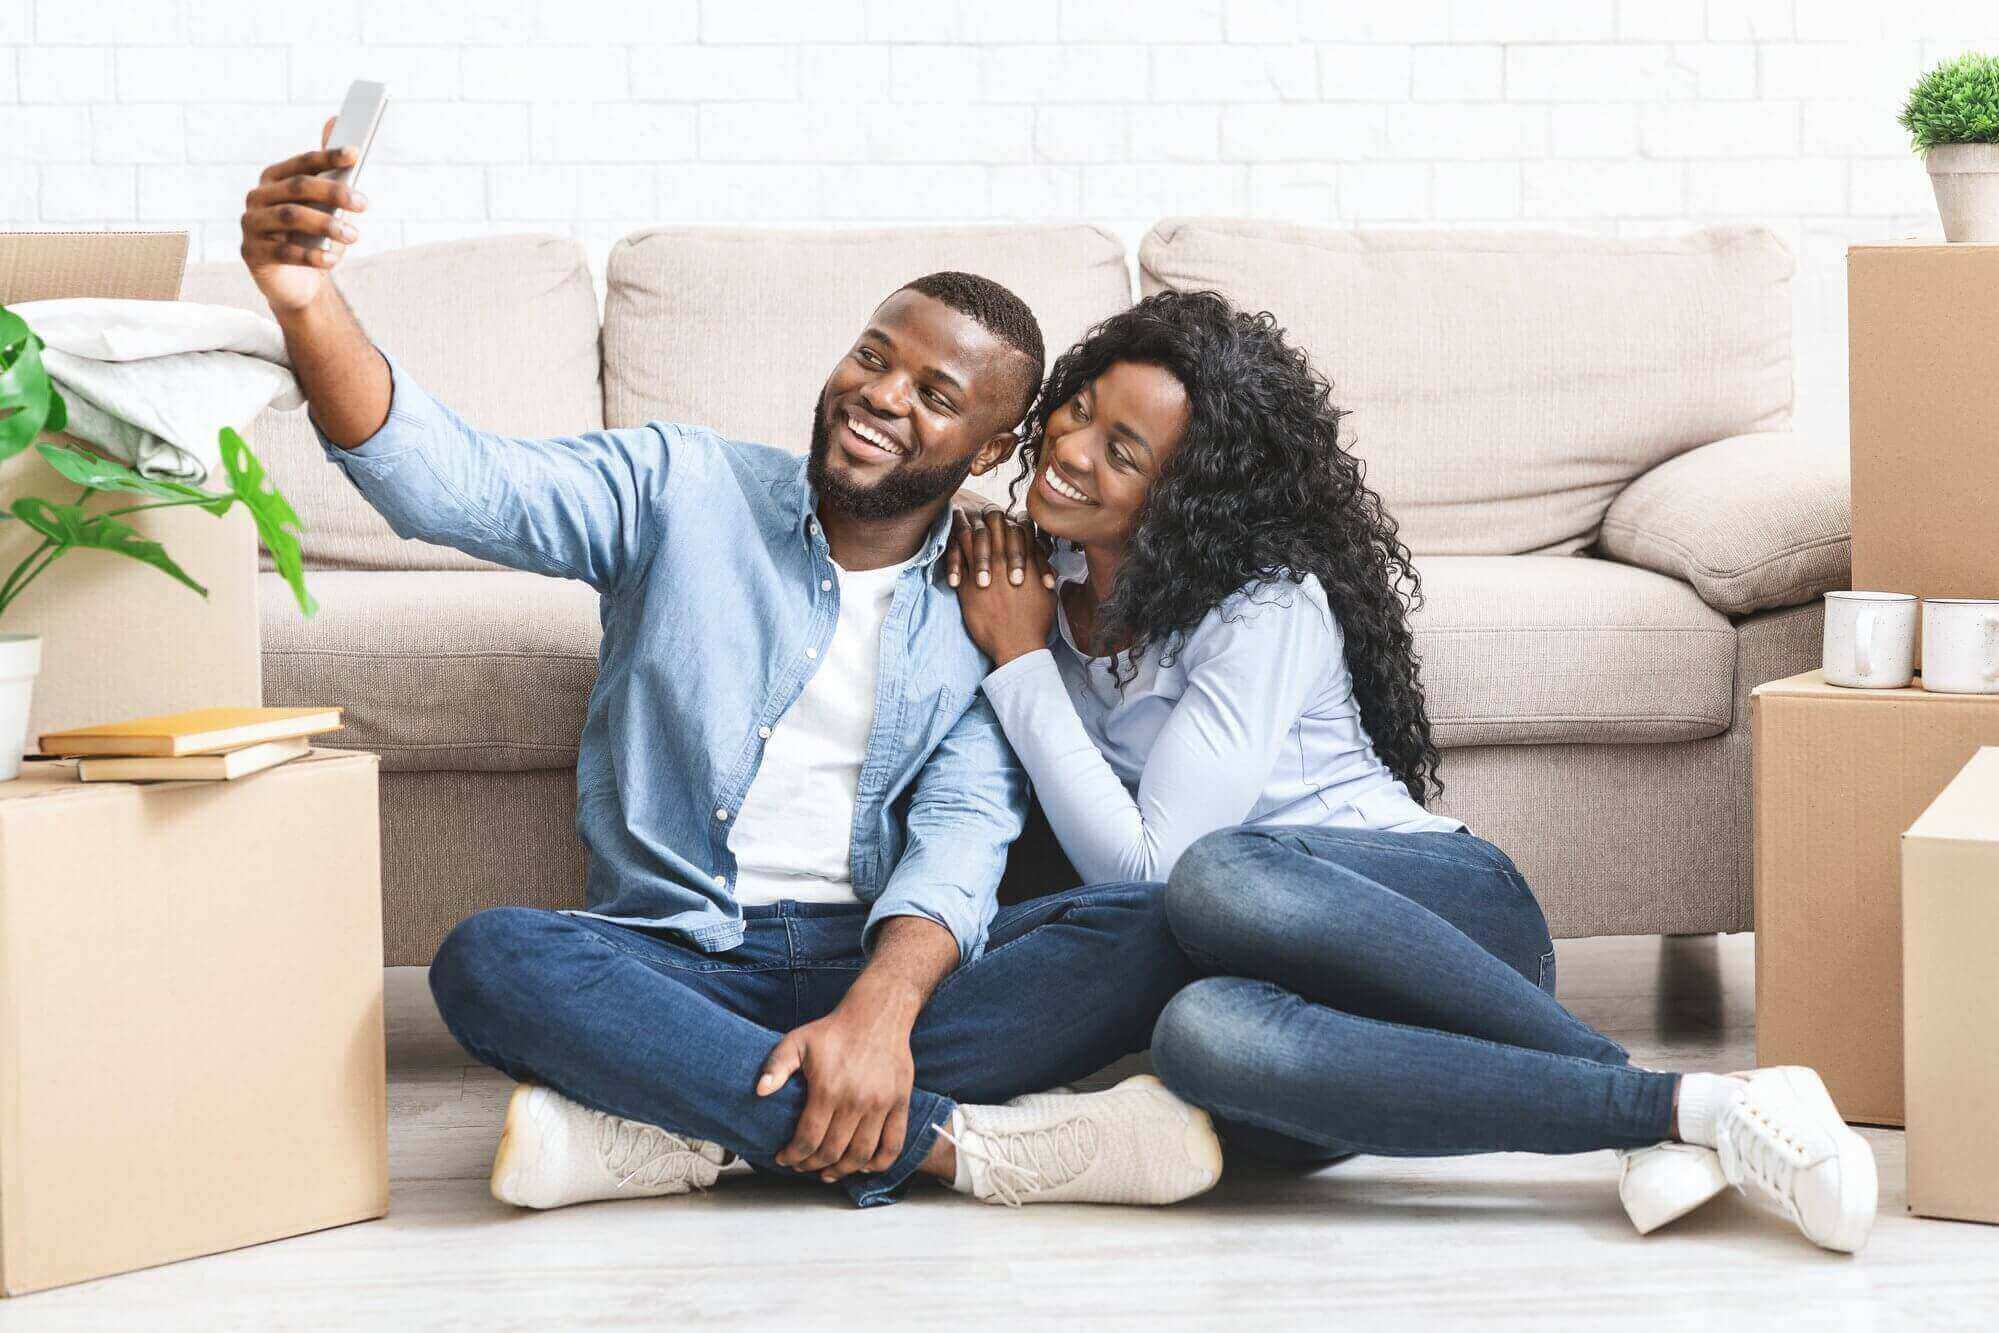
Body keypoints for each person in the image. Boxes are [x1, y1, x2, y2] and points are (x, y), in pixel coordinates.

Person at [237, 128, 1225, 1211]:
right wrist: (305, 302)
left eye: (937, 395)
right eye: (873, 354)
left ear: (989, 451)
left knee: (1153, 929)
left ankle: (679, 1124)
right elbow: (453, 485)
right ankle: (957, 1149)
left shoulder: (991, 590)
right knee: (489, 961)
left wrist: (879, 1013)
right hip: (678, 958)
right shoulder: (679, 487)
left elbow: (961, 831)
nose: (882, 395)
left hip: (873, 955)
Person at [947, 289, 1879, 1252]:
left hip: (1444, 923)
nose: (1069, 446)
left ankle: (1668, 1101)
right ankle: (1668, 1110)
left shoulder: (1261, 606)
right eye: (1081, 406)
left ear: (1187, 498)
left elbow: (1149, 873)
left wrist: (1019, 665)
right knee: (1197, 1038)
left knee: (1217, 872)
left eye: (1123, 450)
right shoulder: (1030, 584)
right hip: (1283, 982)